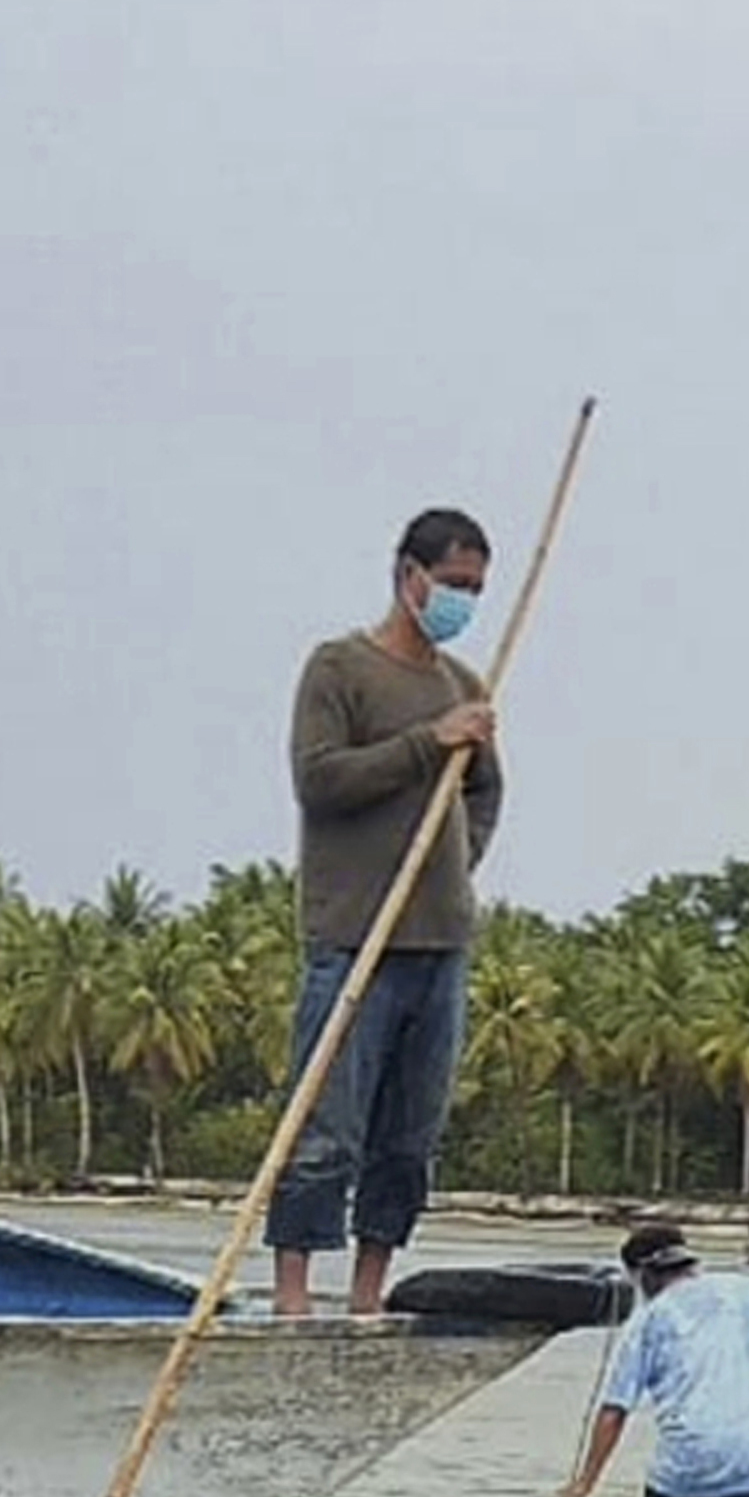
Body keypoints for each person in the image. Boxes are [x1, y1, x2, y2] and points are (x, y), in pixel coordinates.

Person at [270, 506, 502, 1318]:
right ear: (409, 577)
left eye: (475, 588)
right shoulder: (338, 669)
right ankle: (292, 1296)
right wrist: (427, 744)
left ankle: (368, 1296)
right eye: (451, 584)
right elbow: (321, 780)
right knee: (324, 1128)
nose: (463, 600)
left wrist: (456, 861)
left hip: (439, 944)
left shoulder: (467, 687)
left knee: (408, 1140)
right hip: (354, 936)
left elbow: (485, 794)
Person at [551, 1222, 749, 1497]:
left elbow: (614, 1411)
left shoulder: (647, 1321)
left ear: (643, 1275)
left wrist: (584, 1485)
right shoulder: (742, 1289)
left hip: (688, 1472)